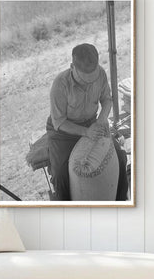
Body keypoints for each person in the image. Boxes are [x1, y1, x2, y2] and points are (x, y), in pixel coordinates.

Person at [46, 43, 129, 201]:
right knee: (61, 175)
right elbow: (60, 122)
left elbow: (106, 100)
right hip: (63, 133)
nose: (89, 84)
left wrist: (101, 119)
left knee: (120, 157)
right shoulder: (60, 84)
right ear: (72, 67)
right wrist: (86, 132)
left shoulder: (101, 74)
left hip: (92, 124)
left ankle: (120, 203)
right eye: (85, 80)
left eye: (93, 78)